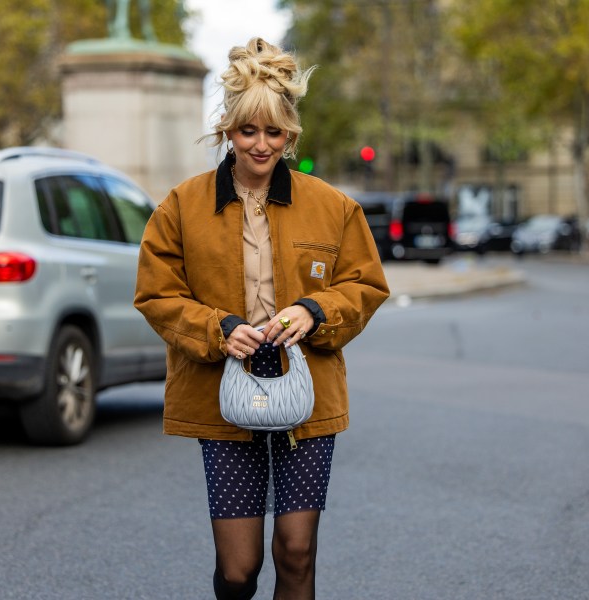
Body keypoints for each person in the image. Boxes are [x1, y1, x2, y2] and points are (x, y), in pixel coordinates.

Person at [134, 37, 390, 599]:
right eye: (248, 130)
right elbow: (157, 293)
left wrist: (314, 309)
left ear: (290, 135)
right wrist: (219, 330)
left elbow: (366, 284)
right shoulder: (181, 206)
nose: (260, 145)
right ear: (228, 128)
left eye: (274, 132)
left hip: (309, 393)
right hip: (221, 395)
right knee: (238, 570)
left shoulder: (333, 206)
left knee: (297, 553)